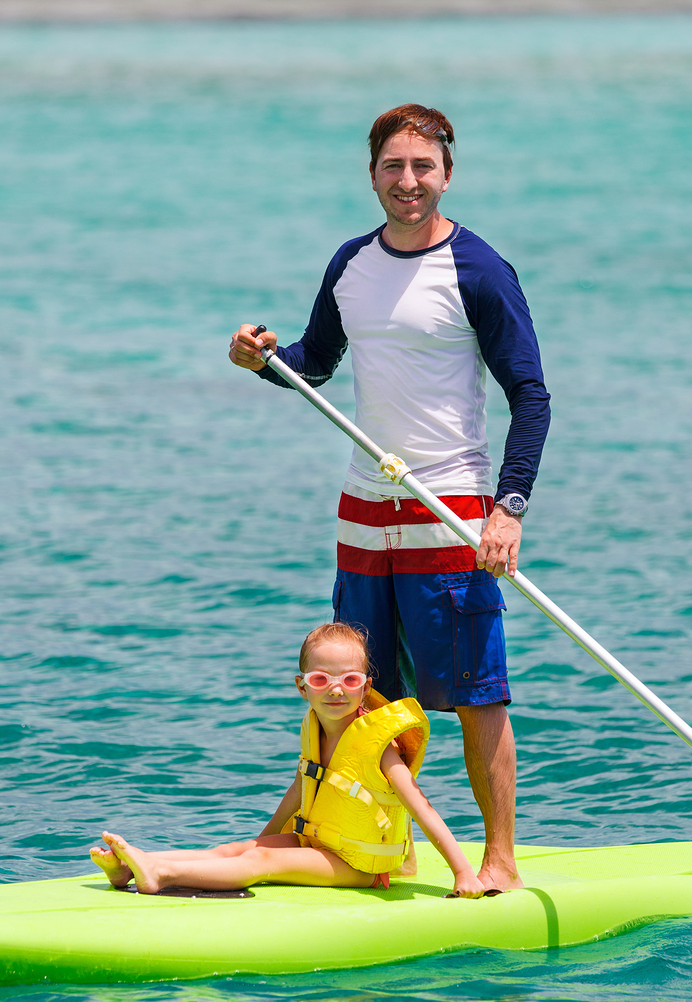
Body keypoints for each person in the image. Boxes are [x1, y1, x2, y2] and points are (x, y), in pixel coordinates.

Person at [225, 104, 550, 892]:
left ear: (447, 172)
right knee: (370, 698)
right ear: (372, 174)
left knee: (476, 695)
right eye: (393, 168)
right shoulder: (351, 265)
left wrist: (508, 508)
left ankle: (500, 858)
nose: (408, 183)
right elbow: (318, 362)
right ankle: (387, 851)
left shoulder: (480, 271)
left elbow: (530, 395)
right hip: (364, 516)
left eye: (423, 168)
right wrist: (264, 359)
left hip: (453, 511)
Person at [91, 623, 486, 899]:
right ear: (302, 687)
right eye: (321, 680)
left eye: (349, 680)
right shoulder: (316, 730)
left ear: (365, 688)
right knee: (237, 850)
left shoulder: (378, 746)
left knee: (262, 861)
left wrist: (463, 872)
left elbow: (422, 808)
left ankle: (160, 874)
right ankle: (132, 868)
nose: (335, 690)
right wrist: (258, 839)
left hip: (359, 867)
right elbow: (300, 791)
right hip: (317, 842)